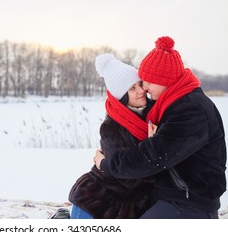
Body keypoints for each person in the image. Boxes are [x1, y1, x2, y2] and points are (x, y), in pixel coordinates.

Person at [94, 36, 227, 219]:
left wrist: (107, 165)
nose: (145, 88)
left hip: (189, 204)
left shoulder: (191, 109)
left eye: (147, 81)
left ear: (165, 80)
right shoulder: (170, 105)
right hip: (168, 197)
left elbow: (154, 156)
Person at [68, 53, 155, 219]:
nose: (140, 91)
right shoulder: (111, 128)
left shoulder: (154, 113)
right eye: (132, 88)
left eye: (139, 84)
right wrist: (152, 146)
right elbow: (128, 176)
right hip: (97, 200)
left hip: (130, 201)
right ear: (122, 97)